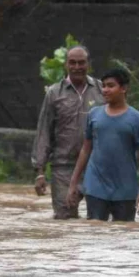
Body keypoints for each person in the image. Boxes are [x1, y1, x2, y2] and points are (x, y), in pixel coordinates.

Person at [67, 67, 139, 222]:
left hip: (125, 189)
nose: (105, 90)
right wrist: (73, 183)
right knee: (95, 230)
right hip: (95, 186)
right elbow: (86, 149)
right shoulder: (94, 115)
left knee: (122, 235)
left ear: (124, 88)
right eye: (104, 86)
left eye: (111, 86)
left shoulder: (138, 120)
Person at [32, 45, 104, 219]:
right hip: (63, 168)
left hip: (96, 167)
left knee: (99, 221)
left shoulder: (103, 90)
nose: (77, 67)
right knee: (65, 219)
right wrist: (40, 172)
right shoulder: (54, 93)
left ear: (89, 64)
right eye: (72, 63)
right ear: (66, 65)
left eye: (81, 63)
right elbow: (44, 132)